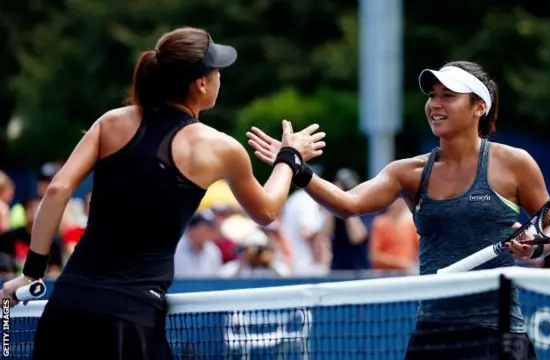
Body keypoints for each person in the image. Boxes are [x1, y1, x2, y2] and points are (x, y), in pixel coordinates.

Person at [0, 26, 325, 360]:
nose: (220, 78)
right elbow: (268, 211)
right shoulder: (220, 147)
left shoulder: (111, 122)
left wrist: (31, 273)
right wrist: (290, 158)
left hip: (68, 305)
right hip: (131, 319)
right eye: (217, 72)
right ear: (201, 84)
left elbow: (57, 190)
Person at [247, 61, 550, 359]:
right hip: (433, 332)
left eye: (448, 96)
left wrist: (534, 247)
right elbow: (349, 204)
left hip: (500, 333)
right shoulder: (408, 172)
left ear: (479, 107)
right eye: (432, 95)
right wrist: (296, 166)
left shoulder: (516, 164)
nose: (435, 104)